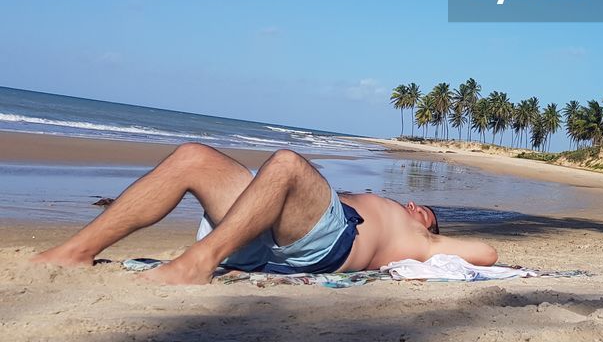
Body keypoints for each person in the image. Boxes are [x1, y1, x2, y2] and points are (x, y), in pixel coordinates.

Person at [30, 142, 499, 284]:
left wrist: (435, 240)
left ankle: (197, 263)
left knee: (288, 164)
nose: (416, 206)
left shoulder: (421, 240)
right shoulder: (398, 212)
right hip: (266, 232)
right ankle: (76, 251)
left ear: (428, 225)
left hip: (331, 242)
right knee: (193, 157)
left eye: (426, 211)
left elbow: (489, 252)